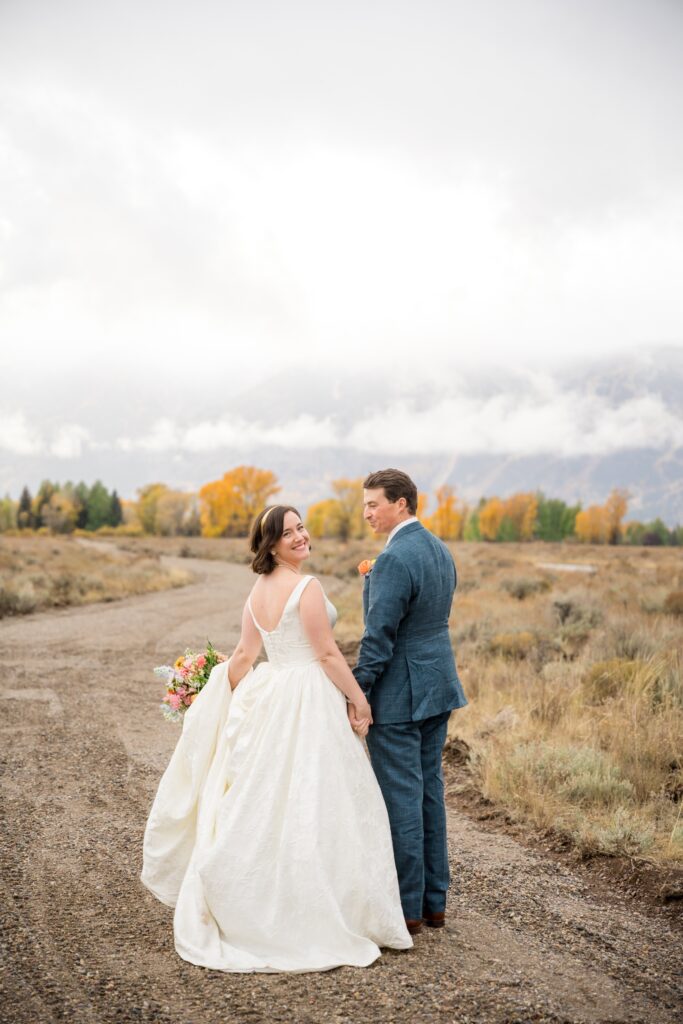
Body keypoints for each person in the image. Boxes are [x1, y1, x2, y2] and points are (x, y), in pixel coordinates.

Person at [141, 504, 411, 972]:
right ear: (271, 544)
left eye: (301, 527)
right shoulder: (306, 586)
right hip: (307, 693)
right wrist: (359, 700)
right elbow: (326, 653)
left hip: (271, 693)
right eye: (289, 533)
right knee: (319, 797)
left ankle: (266, 892)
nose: (301, 536)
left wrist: (213, 691)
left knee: (268, 796)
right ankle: (321, 908)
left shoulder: (257, 590)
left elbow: (245, 656)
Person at [349, 469, 467, 936]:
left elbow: (379, 639)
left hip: (401, 693)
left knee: (402, 797)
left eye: (374, 504)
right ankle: (434, 903)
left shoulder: (395, 558)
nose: (367, 513)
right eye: (365, 506)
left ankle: (406, 908)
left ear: (401, 503)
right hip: (438, 684)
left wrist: (357, 690)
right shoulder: (439, 548)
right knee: (428, 793)